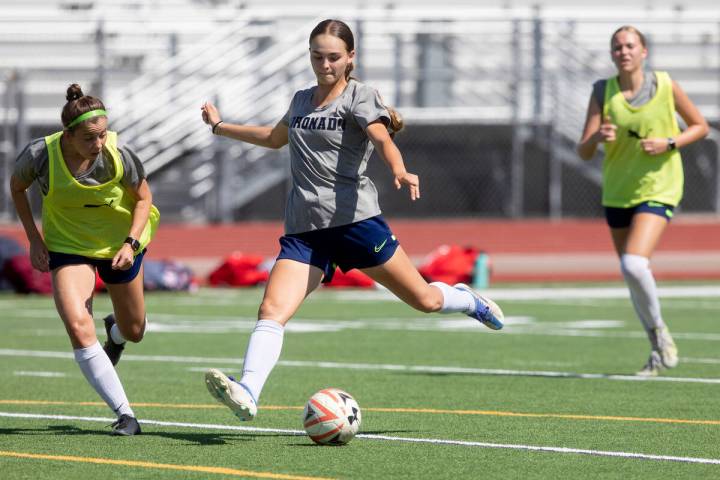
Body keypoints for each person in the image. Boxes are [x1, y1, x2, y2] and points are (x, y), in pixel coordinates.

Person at [200, 19, 504, 422]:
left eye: (333, 57)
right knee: (271, 310)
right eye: (316, 56)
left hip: (356, 224)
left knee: (426, 299)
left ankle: (468, 300)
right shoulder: (301, 100)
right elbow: (274, 138)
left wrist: (398, 168)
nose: (324, 64)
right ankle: (249, 390)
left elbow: (381, 138)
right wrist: (221, 128)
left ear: (350, 58)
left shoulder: (360, 97)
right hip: (305, 232)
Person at [10, 84, 160, 435]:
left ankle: (117, 334)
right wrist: (34, 239)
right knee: (77, 324)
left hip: (118, 246)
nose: (98, 144)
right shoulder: (40, 155)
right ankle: (126, 414)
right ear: (68, 135)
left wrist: (131, 242)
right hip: (68, 247)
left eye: (103, 135)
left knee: (135, 330)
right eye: (90, 138)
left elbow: (143, 198)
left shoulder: (118, 154)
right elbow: (17, 187)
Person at [577, 26, 708, 376]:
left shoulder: (664, 84)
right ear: (612, 55)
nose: (624, 51)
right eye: (617, 47)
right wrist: (598, 137)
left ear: (644, 51)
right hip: (618, 190)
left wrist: (669, 143)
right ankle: (656, 346)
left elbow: (700, 126)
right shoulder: (602, 91)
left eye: (630, 45)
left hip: (660, 186)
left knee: (634, 265)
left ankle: (660, 333)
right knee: (632, 274)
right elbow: (584, 149)